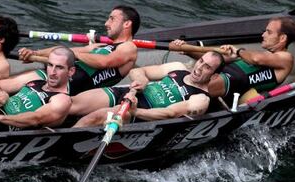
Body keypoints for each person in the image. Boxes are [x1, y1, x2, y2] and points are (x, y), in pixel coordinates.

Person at [73, 51, 224, 127]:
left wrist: (134, 111)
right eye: (201, 61)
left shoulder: (201, 99)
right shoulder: (178, 67)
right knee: (74, 103)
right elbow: (137, 71)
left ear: (214, 75)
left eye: (207, 67)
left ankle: (66, 139)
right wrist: (141, 80)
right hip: (129, 94)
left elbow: (169, 113)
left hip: (140, 113)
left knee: (97, 116)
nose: (199, 68)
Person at [16, 5, 140, 97]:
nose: (106, 23)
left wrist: (73, 54)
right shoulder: (100, 46)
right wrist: (34, 54)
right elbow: (65, 51)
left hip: (71, 90)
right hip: (59, 76)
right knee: (4, 85)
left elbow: (104, 62)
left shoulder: (129, 47)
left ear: (127, 24)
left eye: (112, 19)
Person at [171, 17, 295, 104]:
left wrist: (238, 51)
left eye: (268, 32)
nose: (263, 35)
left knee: (227, 78)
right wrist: (187, 50)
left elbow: (256, 59)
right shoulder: (255, 55)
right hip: (216, 76)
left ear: (282, 38)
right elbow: (211, 62)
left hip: (231, 86)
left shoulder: (286, 58)